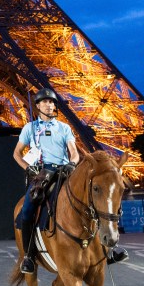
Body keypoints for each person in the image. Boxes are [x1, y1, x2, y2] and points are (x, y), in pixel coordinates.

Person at [13, 88, 127, 274]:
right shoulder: (30, 128)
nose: (49, 105)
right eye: (45, 102)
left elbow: (73, 152)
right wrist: (28, 167)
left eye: (52, 102)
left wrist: (72, 164)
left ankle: (108, 250)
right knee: (27, 209)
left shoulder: (64, 128)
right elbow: (16, 153)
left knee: (94, 200)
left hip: (65, 170)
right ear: (38, 106)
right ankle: (28, 256)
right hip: (43, 173)